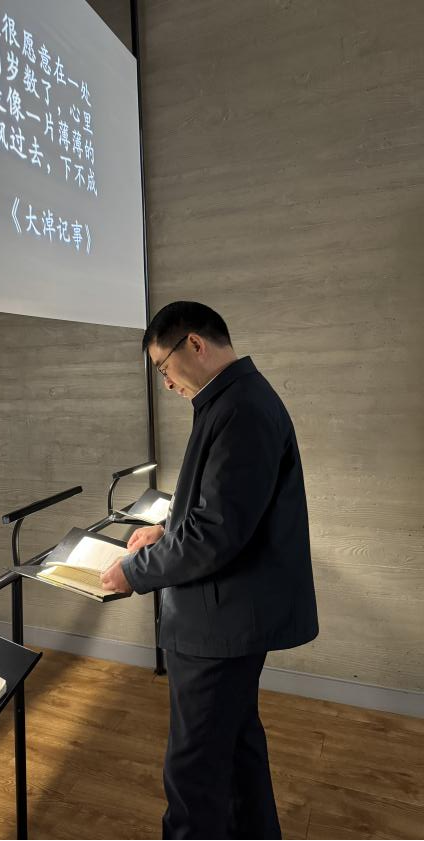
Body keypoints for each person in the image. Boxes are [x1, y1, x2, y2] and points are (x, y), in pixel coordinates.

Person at [100, 301, 319, 840]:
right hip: (228, 616)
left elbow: (216, 534)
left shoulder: (241, 409)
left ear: (194, 344)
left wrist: (136, 571)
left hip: (220, 623)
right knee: (238, 751)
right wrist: (165, 529)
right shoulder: (232, 399)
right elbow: (215, 506)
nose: (166, 383)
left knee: (194, 775)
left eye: (163, 368)